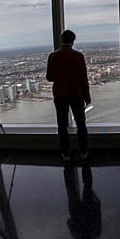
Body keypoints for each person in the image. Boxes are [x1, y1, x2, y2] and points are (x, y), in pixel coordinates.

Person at [46, 29, 91, 161]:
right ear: (73, 40)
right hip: (76, 94)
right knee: (81, 124)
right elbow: (84, 79)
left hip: (60, 95)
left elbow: (49, 77)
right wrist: (87, 97)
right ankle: (84, 151)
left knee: (62, 125)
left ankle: (66, 153)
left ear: (61, 40)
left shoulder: (53, 56)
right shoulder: (78, 56)